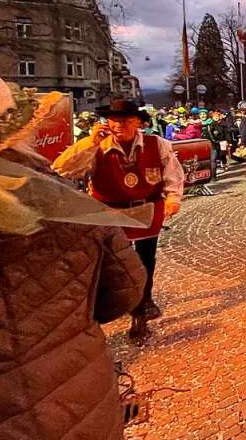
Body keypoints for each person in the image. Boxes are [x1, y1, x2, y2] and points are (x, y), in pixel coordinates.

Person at [0, 69, 147, 440]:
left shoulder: (152, 146)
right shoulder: (60, 190)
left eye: (126, 121)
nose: (120, 125)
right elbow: (122, 290)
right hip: (68, 397)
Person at [53, 98, 185, 341]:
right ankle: (115, 304)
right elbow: (62, 169)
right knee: (112, 263)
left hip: (146, 209)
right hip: (111, 212)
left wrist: (173, 198)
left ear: (137, 123)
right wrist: (90, 142)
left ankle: (142, 305)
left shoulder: (157, 144)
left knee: (146, 261)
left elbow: (173, 173)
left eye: (125, 120)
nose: (118, 125)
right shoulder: (96, 146)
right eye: (114, 120)